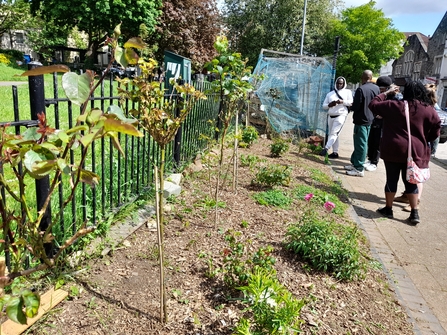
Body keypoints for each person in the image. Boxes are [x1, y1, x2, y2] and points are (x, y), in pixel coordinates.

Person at [369, 81, 441, 225]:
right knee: (411, 181)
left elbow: (373, 104)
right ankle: (414, 213)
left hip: (393, 149)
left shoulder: (394, 106)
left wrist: (387, 93)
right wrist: (423, 139)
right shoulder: (428, 109)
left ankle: (388, 209)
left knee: (391, 179)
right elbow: (436, 130)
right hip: (415, 151)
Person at [394, 83, 438, 212]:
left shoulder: (426, 109)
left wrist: (425, 141)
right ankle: (407, 195)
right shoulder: (421, 107)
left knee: (417, 174)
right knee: (411, 171)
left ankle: (416, 201)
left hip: (421, 145)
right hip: (417, 144)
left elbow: (436, 131)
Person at [344, 70, 380, 176]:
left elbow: (356, 106)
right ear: (371, 77)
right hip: (370, 119)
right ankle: (355, 163)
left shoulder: (361, 89)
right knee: (362, 142)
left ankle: (359, 168)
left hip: (361, 120)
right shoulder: (376, 88)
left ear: (362, 77)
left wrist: (350, 105)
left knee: (361, 144)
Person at [364, 76, 394, 172]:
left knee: (377, 142)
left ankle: (374, 162)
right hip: (374, 120)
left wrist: (384, 115)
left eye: (382, 89)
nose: (381, 91)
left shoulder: (393, 97)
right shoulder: (379, 95)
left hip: (383, 123)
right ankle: (370, 158)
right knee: (371, 140)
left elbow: (394, 110)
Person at [320, 76, 353, 158]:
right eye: (338, 83)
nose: (339, 85)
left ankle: (326, 149)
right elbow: (324, 106)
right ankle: (335, 152)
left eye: (341, 83)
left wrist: (342, 101)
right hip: (331, 115)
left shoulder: (347, 92)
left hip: (341, 115)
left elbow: (351, 102)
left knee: (334, 133)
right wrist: (329, 105)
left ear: (344, 84)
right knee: (334, 134)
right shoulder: (330, 94)